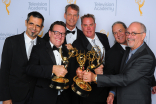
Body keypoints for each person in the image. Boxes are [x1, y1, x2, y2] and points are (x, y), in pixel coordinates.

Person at [83, 22, 156, 104]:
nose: (129, 36)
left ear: (143, 36)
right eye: (128, 33)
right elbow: (120, 74)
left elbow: (125, 79)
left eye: (134, 33)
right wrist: (113, 92)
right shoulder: (128, 50)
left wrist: (95, 78)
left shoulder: (146, 56)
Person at [0, 11, 45, 104]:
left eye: (38, 25)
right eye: (31, 23)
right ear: (26, 23)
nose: (34, 28)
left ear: (42, 28)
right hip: (15, 96)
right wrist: (5, 97)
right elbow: (4, 71)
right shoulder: (11, 42)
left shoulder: (44, 44)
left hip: (36, 97)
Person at [26, 21, 72, 104]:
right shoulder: (38, 49)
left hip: (64, 99)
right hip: (44, 98)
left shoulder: (69, 51)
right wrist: (52, 69)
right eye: (56, 33)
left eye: (62, 34)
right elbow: (30, 69)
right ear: (50, 33)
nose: (60, 36)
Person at [73, 14, 110, 104]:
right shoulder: (77, 43)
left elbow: (109, 58)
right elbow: (77, 67)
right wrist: (93, 72)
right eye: (85, 25)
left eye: (91, 25)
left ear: (95, 25)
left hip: (107, 85)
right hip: (92, 92)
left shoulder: (104, 37)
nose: (88, 28)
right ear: (81, 27)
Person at [104, 21, 127, 104]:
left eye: (120, 31)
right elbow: (110, 77)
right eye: (115, 33)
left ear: (126, 30)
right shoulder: (111, 53)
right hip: (122, 96)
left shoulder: (135, 45)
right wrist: (112, 93)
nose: (118, 35)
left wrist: (152, 82)